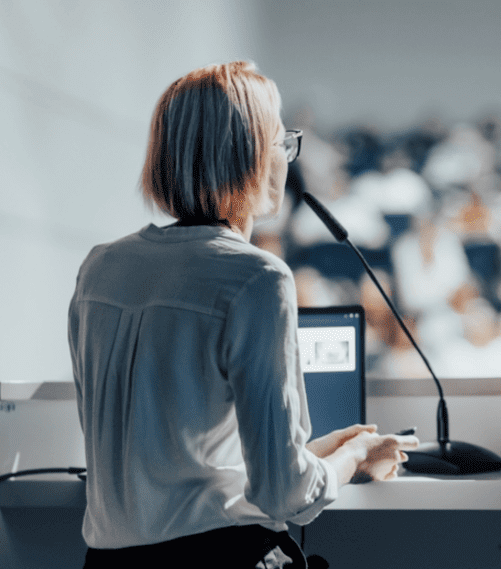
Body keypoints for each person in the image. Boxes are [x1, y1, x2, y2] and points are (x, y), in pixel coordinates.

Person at [68, 61, 418, 568]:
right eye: (282, 142)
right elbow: (286, 497)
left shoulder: (99, 269)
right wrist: (353, 458)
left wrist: (314, 453)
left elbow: (180, 470)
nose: (287, 159)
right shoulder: (257, 279)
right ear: (250, 155)